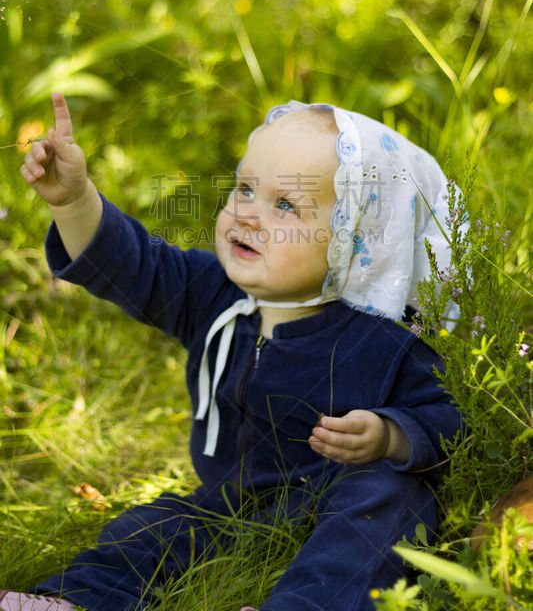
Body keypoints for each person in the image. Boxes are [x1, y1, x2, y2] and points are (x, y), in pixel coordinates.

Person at [5, 93, 463, 611]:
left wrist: (391, 436)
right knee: (147, 529)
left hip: (334, 498)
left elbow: (449, 419)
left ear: (357, 241)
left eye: (285, 204)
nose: (247, 214)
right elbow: (132, 264)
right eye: (245, 188)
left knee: (391, 500)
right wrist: (73, 200)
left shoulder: (383, 340)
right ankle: (73, 601)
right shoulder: (215, 292)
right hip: (226, 504)